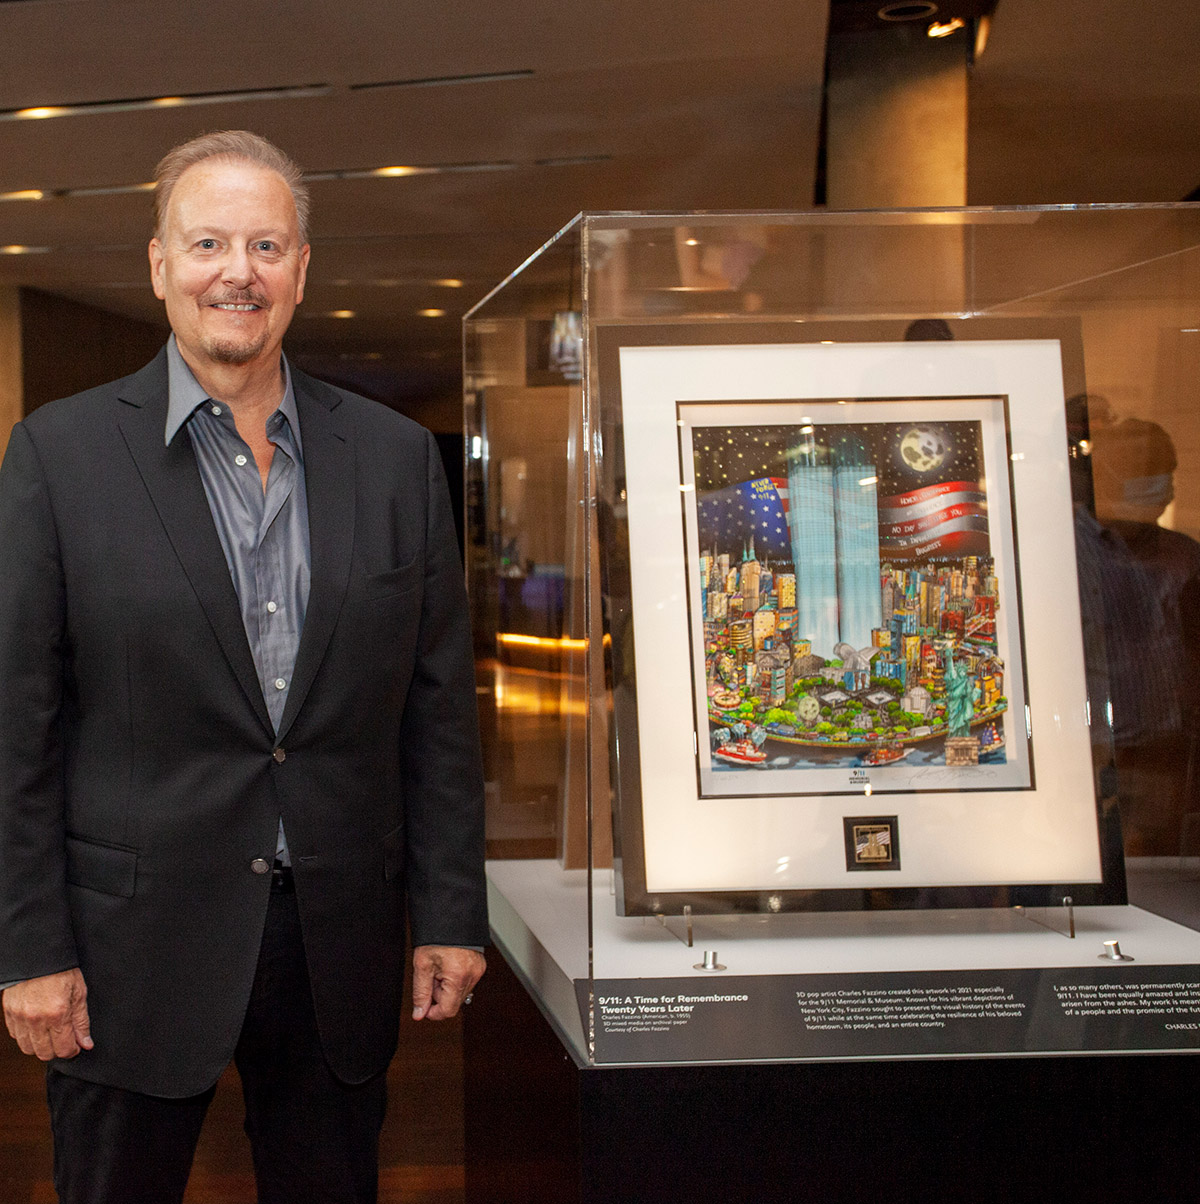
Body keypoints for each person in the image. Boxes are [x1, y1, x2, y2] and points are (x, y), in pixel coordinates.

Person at [0, 130, 487, 1204]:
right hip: (127, 950)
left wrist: (451, 909)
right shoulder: (59, 454)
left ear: (302, 270)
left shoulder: (398, 459)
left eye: (267, 243)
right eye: (209, 241)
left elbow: (437, 709)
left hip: (337, 943)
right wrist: (26, 946)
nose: (239, 270)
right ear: (160, 264)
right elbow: (17, 725)